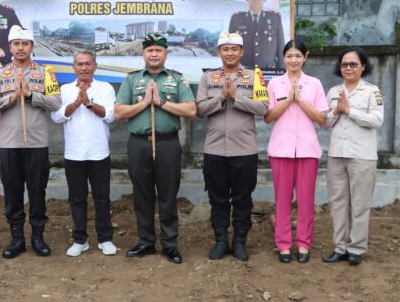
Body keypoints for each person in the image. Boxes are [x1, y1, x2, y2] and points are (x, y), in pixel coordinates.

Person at [114, 33, 197, 264]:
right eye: (149, 50)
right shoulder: (131, 80)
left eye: (158, 50)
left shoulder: (177, 80)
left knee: (168, 196)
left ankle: (170, 245)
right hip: (139, 143)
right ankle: (146, 242)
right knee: (142, 195)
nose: (153, 54)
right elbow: (119, 112)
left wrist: (161, 102)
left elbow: (191, 110)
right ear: (143, 53)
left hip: (167, 144)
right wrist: (143, 103)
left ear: (166, 54)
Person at [0, 25, 61, 259]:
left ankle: (38, 236)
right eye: (16, 44)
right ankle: (17, 238)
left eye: (25, 43)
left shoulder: (45, 73)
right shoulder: (0, 75)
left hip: (37, 143)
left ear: (32, 46)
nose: (20, 48)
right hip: (9, 144)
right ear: (9, 47)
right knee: (13, 191)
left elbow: (56, 102)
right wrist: (12, 97)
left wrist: (30, 95)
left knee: (37, 191)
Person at [196, 31, 268, 261]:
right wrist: (220, 98)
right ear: (219, 52)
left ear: (242, 52)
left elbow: (264, 108)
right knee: (217, 199)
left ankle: (239, 241)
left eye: (234, 49)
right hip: (215, 150)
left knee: (242, 199)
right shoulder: (208, 78)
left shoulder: (255, 76)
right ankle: (220, 241)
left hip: (245, 149)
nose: (230, 53)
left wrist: (237, 97)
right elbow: (199, 110)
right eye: (225, 49)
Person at [264, 40, 328, 264]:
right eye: (289, 56)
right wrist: (288, 100)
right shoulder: (274, 84)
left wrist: (299, 100)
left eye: (298, 56)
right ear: (283, 58)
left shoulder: (314, 84)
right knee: (282, 200)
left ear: (305, 57)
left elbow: (322, 119)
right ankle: (283, 244)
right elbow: (268, 117)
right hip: (281, 150)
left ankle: (303, 243)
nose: (293, 60)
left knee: (306, 200)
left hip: (307, 150)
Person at [51, 51, 117, 257]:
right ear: (73, 67)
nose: (84, 68)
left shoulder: (105, 88)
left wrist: (88, 103)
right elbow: (56, 117)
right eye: (80, 64)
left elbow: (110, 115)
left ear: (95, 66)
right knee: (77, 199)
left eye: (88, 64)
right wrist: (76, 104)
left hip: (99, 152)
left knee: (102, 198)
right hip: (74, 154)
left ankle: (105, 238)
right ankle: (80, 239)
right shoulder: (65, 89)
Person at [321, 48, 384, 266]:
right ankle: (340, 247)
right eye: (344, 64)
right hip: (337, 154)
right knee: (337, 203)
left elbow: (376, 120)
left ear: (363, 66)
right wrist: (337, 111)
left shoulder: (371, 91)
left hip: (362, 156)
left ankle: (356, 248)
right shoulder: (333, 91)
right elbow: (324, 123)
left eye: (353, 64)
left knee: (359, 203)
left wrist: (349, 111)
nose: (348, 68)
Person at [228, 0, 285, 69]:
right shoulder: (236, 20)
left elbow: (281, 50)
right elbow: (230, 50)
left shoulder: (275, 19)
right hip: (243, 72)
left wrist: (283, 74)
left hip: (268, 72)